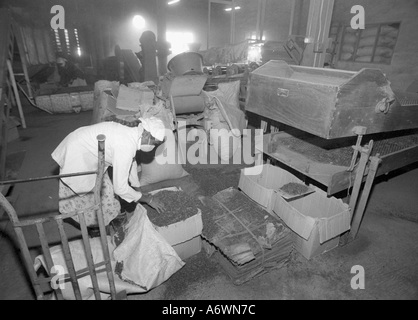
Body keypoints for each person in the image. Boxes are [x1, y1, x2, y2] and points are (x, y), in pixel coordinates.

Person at [51, 116, 167, 234]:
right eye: (154, 143)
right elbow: (120, 188)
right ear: (147, 135)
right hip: (77, 155)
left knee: (105, 192)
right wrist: (148, 199)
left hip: (87, 149)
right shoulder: (125, 145)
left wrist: (138, 189)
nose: (153, 147)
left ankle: (103, 221)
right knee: (87, 199)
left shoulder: (133, 133)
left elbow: (131, 163)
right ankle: (95, 228)